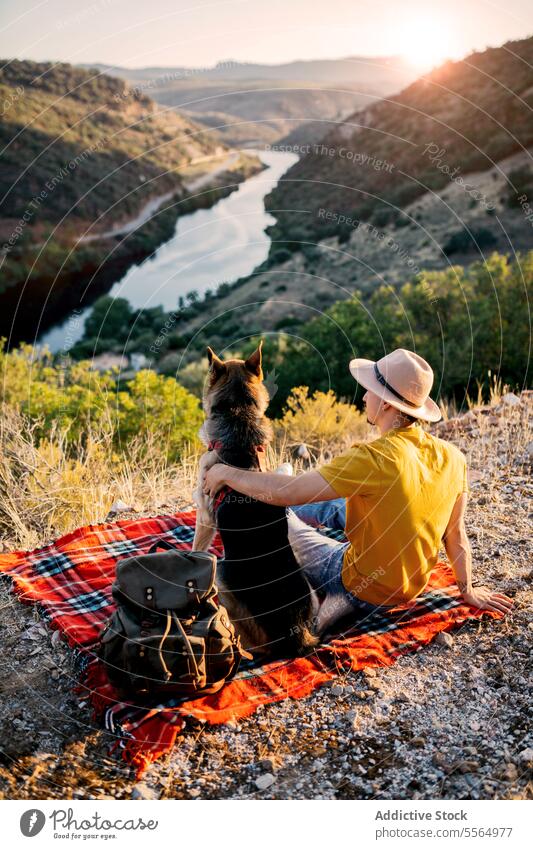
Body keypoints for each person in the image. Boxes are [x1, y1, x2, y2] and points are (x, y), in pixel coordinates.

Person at [203, 348, 514, 635]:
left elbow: (288, 493)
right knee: (339, 503)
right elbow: (455, 535)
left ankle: (338, 596)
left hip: (359, 584)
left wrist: (223, 472)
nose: (364, 397)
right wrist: (468, 589)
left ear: (387, 404)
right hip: (411, 586)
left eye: (371, 391)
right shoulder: (453, 457)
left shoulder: (373, 457)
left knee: (278, 512)